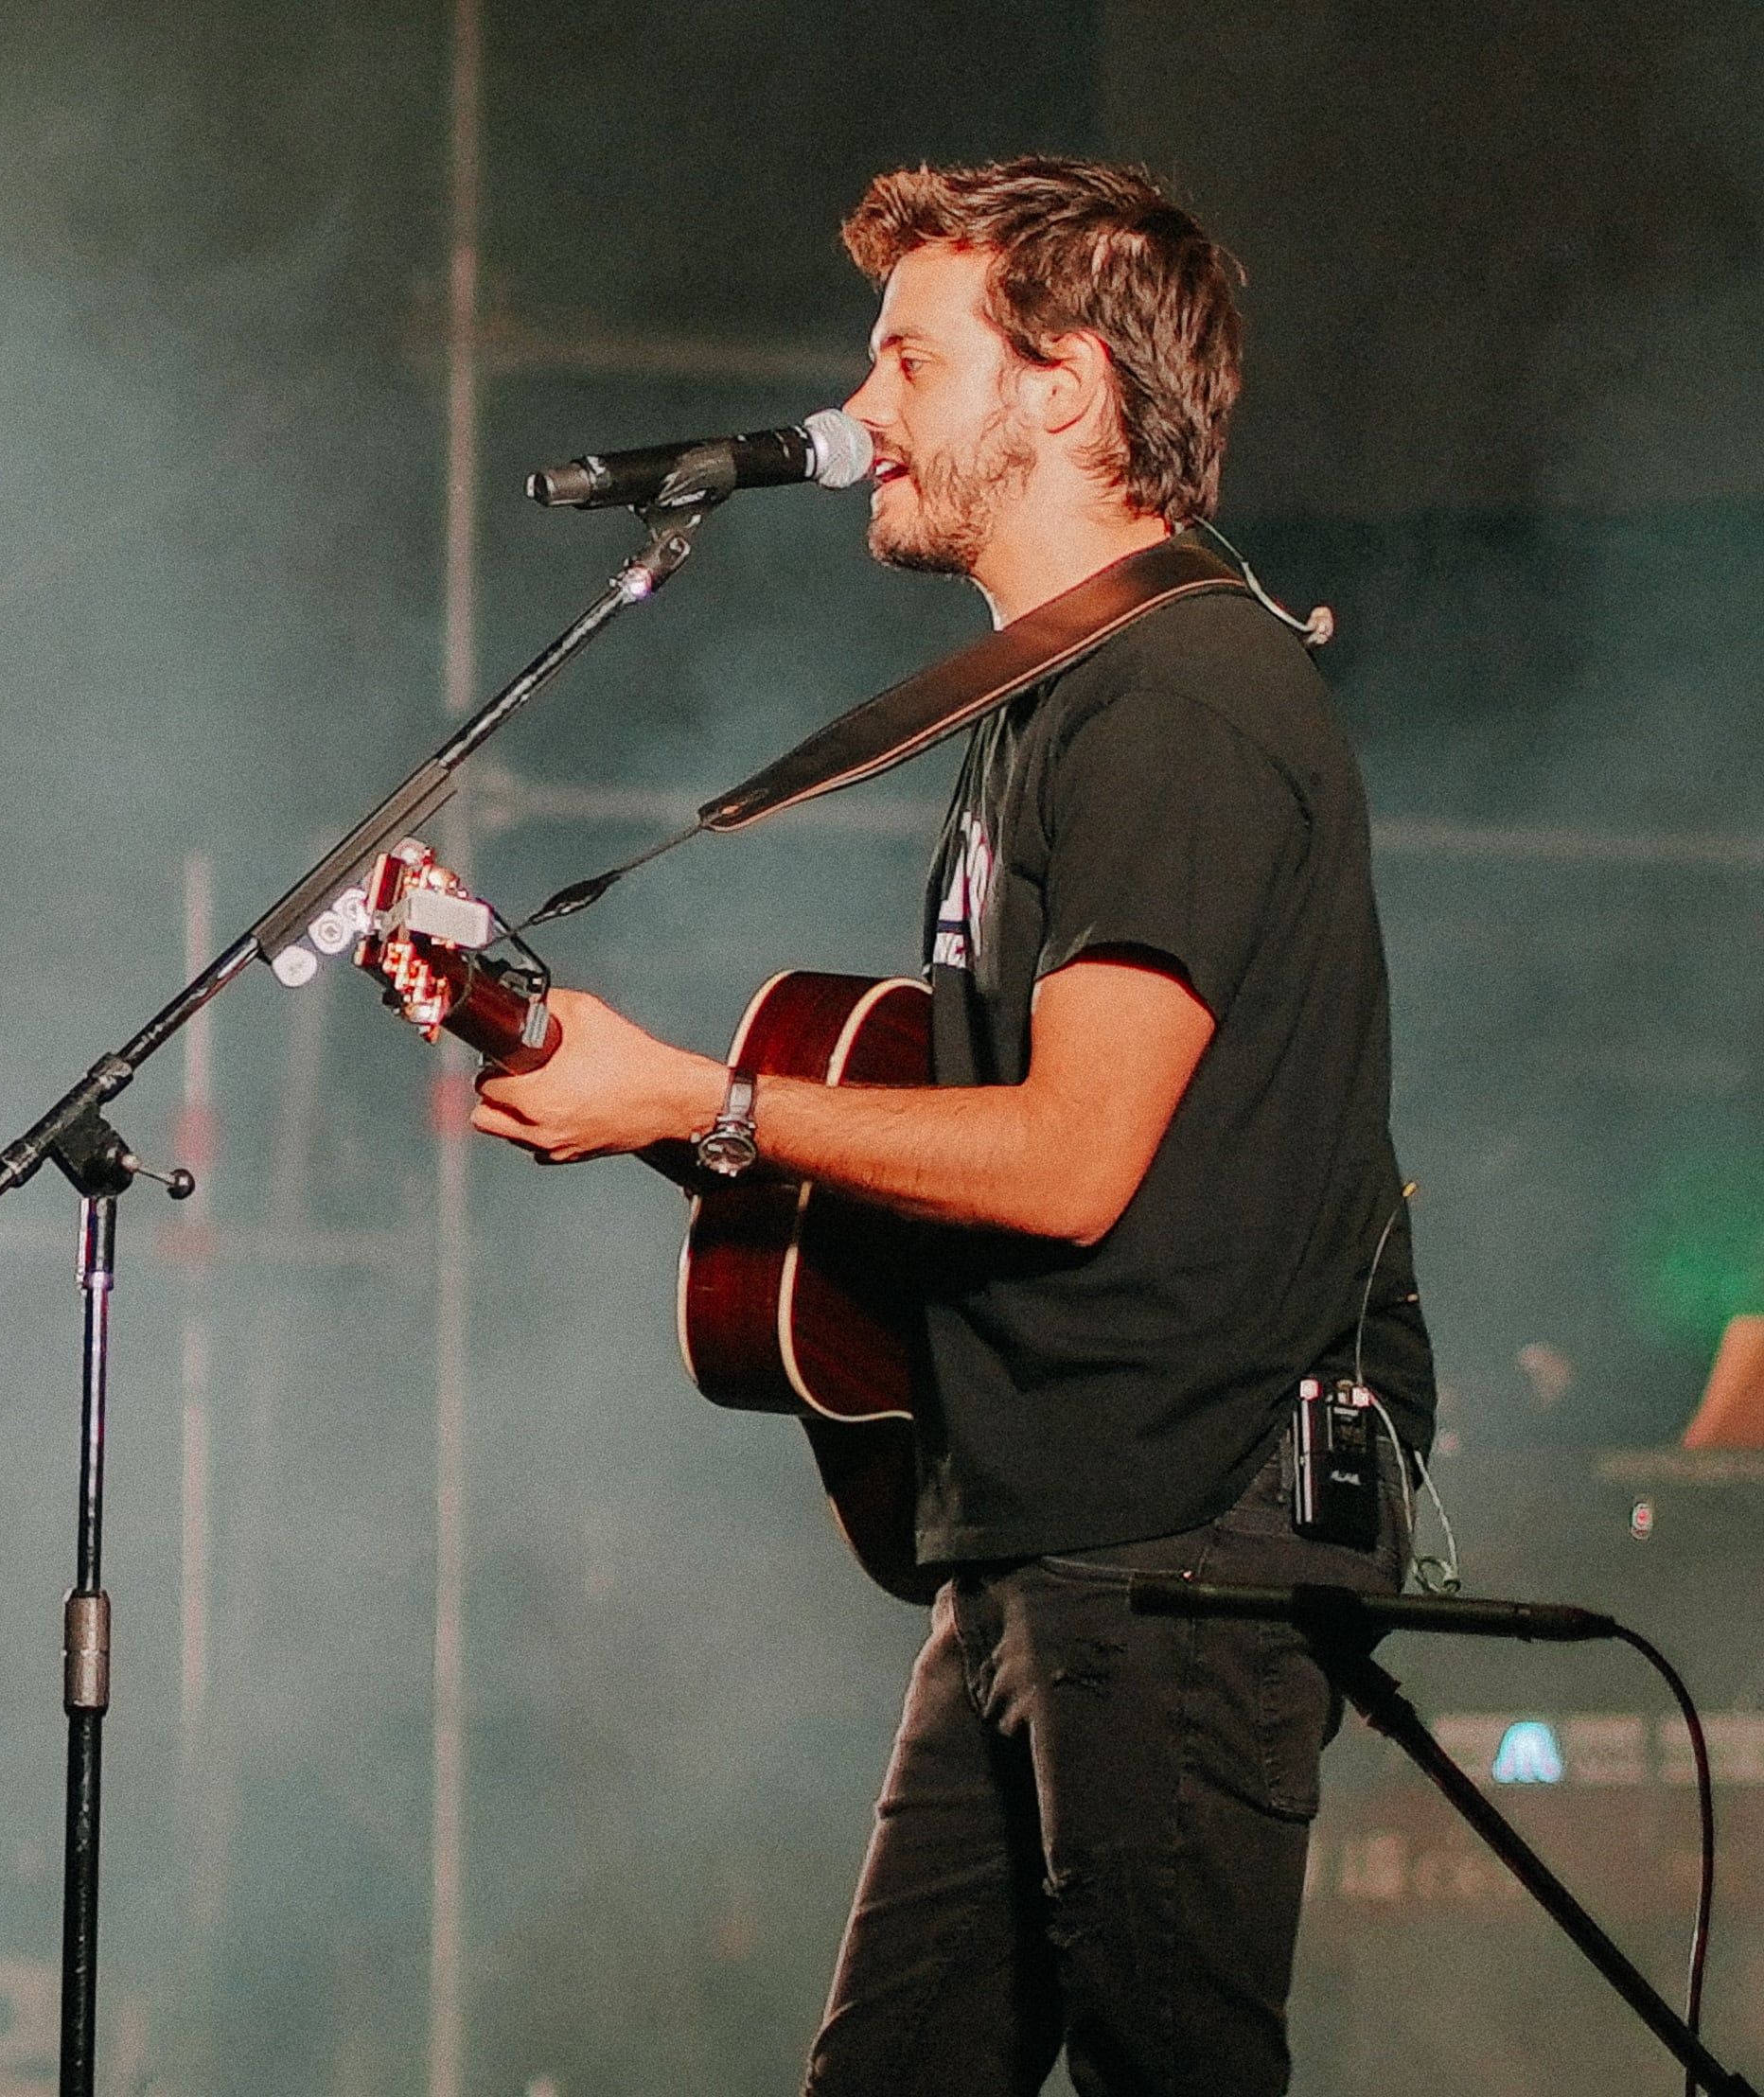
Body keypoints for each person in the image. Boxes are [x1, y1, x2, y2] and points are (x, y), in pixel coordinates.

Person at [468, 159, 1428, 2095]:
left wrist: (703, 1097)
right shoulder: (1049, 700)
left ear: (1067, 389)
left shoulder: (1180, 696)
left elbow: (1075, 1160)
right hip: (1047, 1521)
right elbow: (973, 1167)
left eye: (910, 357)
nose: (863, 415)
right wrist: (642, 1093)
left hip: (1187, 1527)